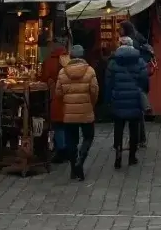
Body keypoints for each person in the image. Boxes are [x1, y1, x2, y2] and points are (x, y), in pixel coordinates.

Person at [56, 44, 99, 180]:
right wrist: (91, 104)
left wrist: (66, 104)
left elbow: (58, 93)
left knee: (71, 140)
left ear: (71, 57)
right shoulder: (90, 71)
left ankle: (74, 168)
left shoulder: (62, 72)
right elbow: (94, 92)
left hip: (69, 112)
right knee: (88, 136)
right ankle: (81, 159)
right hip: (86, 110)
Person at [105, 37, 149, 169]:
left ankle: (118, 156)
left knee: (118, 128)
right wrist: (143, 91)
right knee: (134, 129)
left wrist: (108, 99)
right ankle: (132, 157)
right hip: (134, 99)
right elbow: (145, 81)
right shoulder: (140, 61)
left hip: (118, 99)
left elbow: (108, 83)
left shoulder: (113, 62)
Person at [119, 21, 154, 146]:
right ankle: (141, 139)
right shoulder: (139, 37)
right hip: (138, 79)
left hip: (133, 80)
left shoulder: (132, 42)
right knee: (138, 112)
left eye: (121, 28)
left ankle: (136, 139)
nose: (119, 30)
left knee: (133, 113)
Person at [39, 41, 69, 163]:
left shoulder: (49, 61)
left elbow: (44, 78)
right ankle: (68, 148)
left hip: (55, 96)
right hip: (68, 96)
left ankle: (61, 151)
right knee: (66, 125)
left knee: (58, 125)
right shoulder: (68, 59)